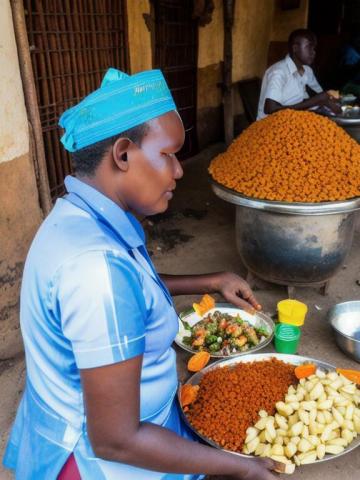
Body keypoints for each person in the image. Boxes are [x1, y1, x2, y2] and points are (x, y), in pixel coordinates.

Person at [3, 68, 281, 479]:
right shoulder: (95, 269)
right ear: (122, 154)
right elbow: (117, 439)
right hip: (104, 462)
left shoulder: (76, 217)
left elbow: (132, 290)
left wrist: (210, 281)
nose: (179, 171)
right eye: (167, 154)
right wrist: (241, 468)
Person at [257, 29, 341, 120]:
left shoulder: (306, 70)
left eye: (314, 48)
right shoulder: (279, 72)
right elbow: (270, 109)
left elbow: (301, 100)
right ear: (295, 48)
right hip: (271, 124)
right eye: (309, 47)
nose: (313, 52)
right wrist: (315, 101)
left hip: (291, 119)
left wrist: (324, 101)